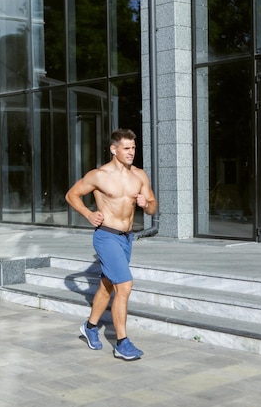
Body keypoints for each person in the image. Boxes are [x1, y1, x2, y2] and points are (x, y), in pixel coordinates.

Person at [65, 128, 157, 360]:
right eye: (126, 148)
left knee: (107, 285)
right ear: (113, 150)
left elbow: (153, 206)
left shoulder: (139, 175)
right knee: (124, 286)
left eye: (133, 148)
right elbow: (71, 195)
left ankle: (90, 327)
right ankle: (121, 343)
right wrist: (88, 214)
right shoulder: (99, 175)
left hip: (126, 239)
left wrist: (146, 204)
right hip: (106, 236)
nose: (131, 152)